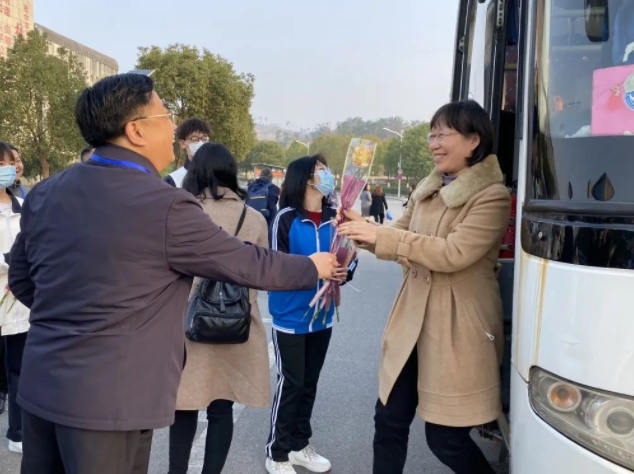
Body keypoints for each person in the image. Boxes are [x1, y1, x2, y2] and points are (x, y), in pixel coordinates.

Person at [8, 73, 338, 474]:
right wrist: (312, 266)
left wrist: (70, 318)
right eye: (166, 116)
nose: (173, 127)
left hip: (42, 387)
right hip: (111, 402)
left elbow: (22, 278)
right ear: (136, 130)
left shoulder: (47, 191)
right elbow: (242, 262)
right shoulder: (163, 204)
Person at [338, 100, 511, 474]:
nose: (433, 144)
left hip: (456, 329)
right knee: (388, 421)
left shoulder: (492, 196)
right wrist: (361, 228)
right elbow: (396, 235)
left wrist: (381, 236)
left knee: (445, 439)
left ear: (473, 140)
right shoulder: (427, 190)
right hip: (411, 324)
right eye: (431, 135)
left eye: (442, 135)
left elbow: (453, 253)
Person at [168, 143, 273, 474]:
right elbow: (260, 275)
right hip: (234, 323)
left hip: (186, 322)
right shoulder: (253, 218)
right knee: (221, 406)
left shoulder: (182, 213)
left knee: (184, 404)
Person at [265, 155, 357, 474]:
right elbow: (273, 266)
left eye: (327, 170)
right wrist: (313, 269)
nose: (327, 174)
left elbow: (349, 256)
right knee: (291, 384)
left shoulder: (336, 217)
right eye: (321, 170)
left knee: (309, 384)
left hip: (323, 317)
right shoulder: (286, 218)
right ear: (305, 178)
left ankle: (298, 446)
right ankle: (276, 453)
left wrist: (345, 271)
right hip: (290, 316)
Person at [0, 141, 29, 455]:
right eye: (3, 164)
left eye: (13, 161)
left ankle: (18, 431)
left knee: (20, 368)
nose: (11, 168)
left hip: (20, 301)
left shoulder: (25, 205)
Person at [165, 118, 211, 188]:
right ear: (182, 143)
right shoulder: (173, 181)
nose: (201, 143)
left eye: (204, 139)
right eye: (194, 139)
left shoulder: (220, 176)